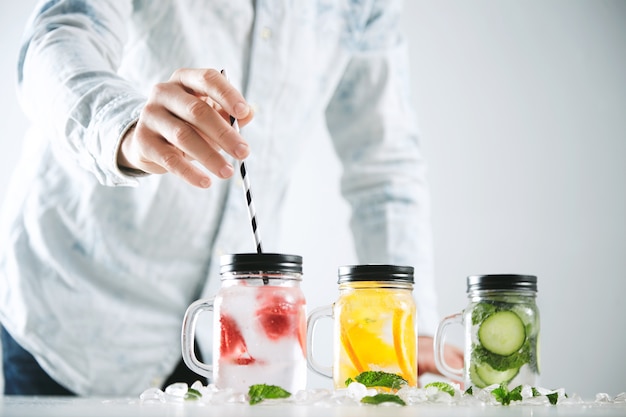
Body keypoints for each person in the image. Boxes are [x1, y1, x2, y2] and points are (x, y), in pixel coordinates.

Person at [0, 0, 463, 396]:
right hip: (68, 313)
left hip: (229, 343)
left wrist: (413, 330)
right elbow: (58, 34)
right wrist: (120, 126)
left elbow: (384, 164)